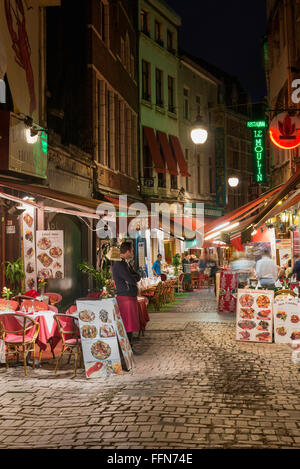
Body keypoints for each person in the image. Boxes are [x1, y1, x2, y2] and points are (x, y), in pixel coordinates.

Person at [112, 241, 141, 346]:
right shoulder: (120, 264)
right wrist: (133, 278)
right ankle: (127, 348)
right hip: (125, 298)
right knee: (127, 325)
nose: (133, 252)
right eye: (132, 250)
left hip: (128, 296)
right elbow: (132, 279)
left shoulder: (124, 263)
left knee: (129, 325)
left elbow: (137, 276)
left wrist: (134, 278)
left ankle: (129, 347)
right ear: (127, 251)